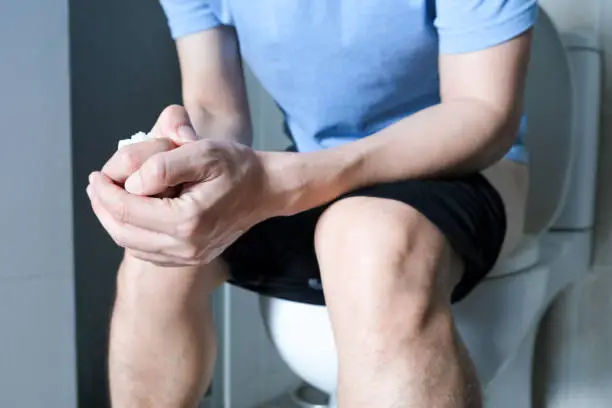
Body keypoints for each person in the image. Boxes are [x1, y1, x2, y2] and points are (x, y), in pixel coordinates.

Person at [87, 1, 536, 407]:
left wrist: (298, 178)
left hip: (458, 164)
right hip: (313, 167)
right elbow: (213, 109)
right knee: (153, 258)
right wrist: (182, 157)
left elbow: (482, 110)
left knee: (370, 238)